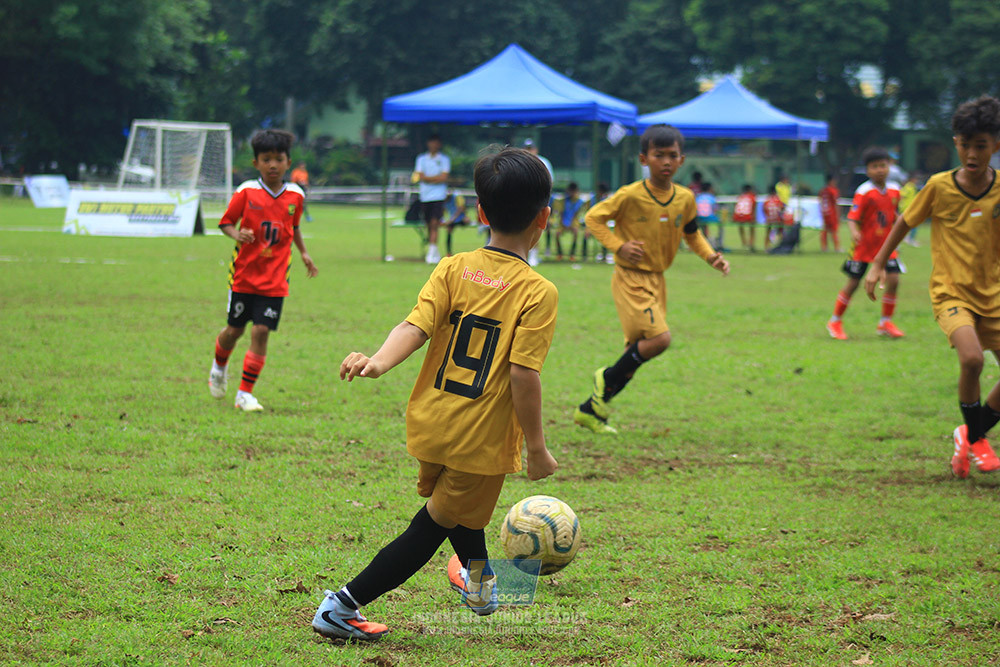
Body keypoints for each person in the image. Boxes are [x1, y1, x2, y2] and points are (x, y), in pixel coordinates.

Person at [311, 146, 559, 641]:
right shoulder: (538, 292)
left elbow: (414, 325)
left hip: (431, 420)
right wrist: (536, 446)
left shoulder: (453, 267)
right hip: (477, 437)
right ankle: (341, 606)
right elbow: (523, 375)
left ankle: (481, 584)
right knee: (432, 526)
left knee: (458, 510)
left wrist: (377, 361)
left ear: (480, 212)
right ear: (545, 218)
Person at [864, 95, 1000, 478]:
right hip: (951, 292)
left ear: (996, 145)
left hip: (993, 293)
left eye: (981, 146)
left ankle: (970, 435)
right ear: (955, 142)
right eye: (965, 144)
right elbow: (904, 223)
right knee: (972, 359)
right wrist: (877, 264)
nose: (972, 154)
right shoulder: (939, 187)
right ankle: (977, 440)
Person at [572, 124, 730, 434]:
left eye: (673, 156)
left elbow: (692, 233)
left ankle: (591, 409)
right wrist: (619, 245)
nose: (666, 162)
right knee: (660, 340)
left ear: (682, 160)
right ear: (645, 159)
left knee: (637, 354)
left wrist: (711, 256)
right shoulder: (630, 195)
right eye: (659, 155)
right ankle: (604, 378)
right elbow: (594, 218)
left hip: (658, 281)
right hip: (631, 279)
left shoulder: (685, 199)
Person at [208, 129, 318, 412]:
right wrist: (236, 234)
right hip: (244, 276)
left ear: (288, 162)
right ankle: (219, 366)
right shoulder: (246, 191)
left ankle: (244, 393)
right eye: (266, 159)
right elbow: (225, 222)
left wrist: (304, 252)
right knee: (234, 331)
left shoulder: (295, 195)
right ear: (256, 162)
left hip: (275, 279)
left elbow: (293, 227)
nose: (273, 165)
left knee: (261, 332)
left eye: (278, 159)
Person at [825, 147, 903, 341]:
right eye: (874, 166)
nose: (879, 170)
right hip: (864, 246)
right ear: (867, 170)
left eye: (882, 165)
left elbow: (894, 214)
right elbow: (852, 217)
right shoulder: (864, 192)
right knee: (853, 283)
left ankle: (885, 322)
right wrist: (854, 232)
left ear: (889, 166)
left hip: (886, 245)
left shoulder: (895, 190)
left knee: (893, 280)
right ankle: (835, 321)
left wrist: (901, 224)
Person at [414, 134, 451, 264]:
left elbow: (444, 177)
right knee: (428, 224)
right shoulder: (422, 159)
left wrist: (429, 179)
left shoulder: (444, 159)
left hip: (438, 196)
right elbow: (420, 176)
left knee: (435, 223)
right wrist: (435, 178)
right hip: (425, 196)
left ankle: (432, 251)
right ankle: (433, 249)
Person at [523, 139, 553, 267]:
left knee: (537, 226)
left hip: (538, 199)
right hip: (523, 198)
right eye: (527, 148)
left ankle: (534, 255)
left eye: (531, 148)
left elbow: (549, 182)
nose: (529, 151)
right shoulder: (520, 162)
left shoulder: (543, 162)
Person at [555, 182, 585, 261]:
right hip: (563, 222)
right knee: (557, 234)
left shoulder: (580, 202)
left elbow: (577, 215)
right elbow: (561, 213)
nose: (572, 193)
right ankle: (560, 254)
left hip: (573, 223)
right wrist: (563, 223)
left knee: (575, 232)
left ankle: (572, 254)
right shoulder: (563, 200)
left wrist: (571, 224)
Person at [586, 182, 612, 262]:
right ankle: (585, 255)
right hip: (591, 223)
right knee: (586, 234)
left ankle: (604, 256)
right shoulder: (592, 200)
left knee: (605, 235)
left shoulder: (606, 200)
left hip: (602, 223)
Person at [818, 174, 841, 252]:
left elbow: (819, 200)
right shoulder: (833, 190)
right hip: (831, 213)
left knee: (824, 230)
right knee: (834, 230)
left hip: (824, 213)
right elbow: (835, 203)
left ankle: (824, 247)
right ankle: (837, 248)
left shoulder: (822, 190)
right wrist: (838, 215)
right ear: (831, 181)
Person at [443, 190, 468, 257]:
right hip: (453, 220)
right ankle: (449, 252)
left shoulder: (457, 197)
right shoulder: (444, 200)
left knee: (449, 228)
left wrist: (451, 219)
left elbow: (462, 208)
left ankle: (449, 252)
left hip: (460, 218)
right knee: (448, 230)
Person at [732, 184, 757, 252]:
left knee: (741, 225)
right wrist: (754, 217)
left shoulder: (740, 197)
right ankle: (751, 243)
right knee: (752, 226)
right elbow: (753, 208)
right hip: (747, 215)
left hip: (738, 216)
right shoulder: (752, 196)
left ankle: (744, 242)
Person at [899, 173, 920, 246]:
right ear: (912, 179)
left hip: (909, 208)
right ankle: (910, 239)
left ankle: (908, 238)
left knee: (910, 224)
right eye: (916, 179)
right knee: (914, 223)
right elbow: (902, 196)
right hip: (907, 208)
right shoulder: (909, 186)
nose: (917, 181)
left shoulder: (911, 186)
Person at [762, 185, 785, 251]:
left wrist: (767, 217)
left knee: (767, 232)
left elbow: (764, 209)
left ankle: (766, 247)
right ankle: (781, 246)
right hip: (777, 220)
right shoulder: (778, 200)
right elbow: (782, 208)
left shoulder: (766, 200)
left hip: (769, 220)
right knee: (781, 231)